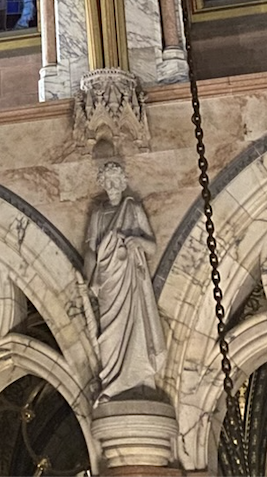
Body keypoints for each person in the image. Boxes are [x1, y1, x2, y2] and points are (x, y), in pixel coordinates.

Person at [84, 163, 167, 399]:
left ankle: (137, 378)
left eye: (115, 180)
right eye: (107, 180)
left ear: (122, 183)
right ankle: (112, 381)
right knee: (109, 336)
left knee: (135, 326)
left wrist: (136, 241)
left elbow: (151, 247)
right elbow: (91, 251)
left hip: (130, 280)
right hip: (107, 283)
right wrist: (87, 279)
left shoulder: (132, 208)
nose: (111, 185)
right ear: (102, 182)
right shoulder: (98, 215)